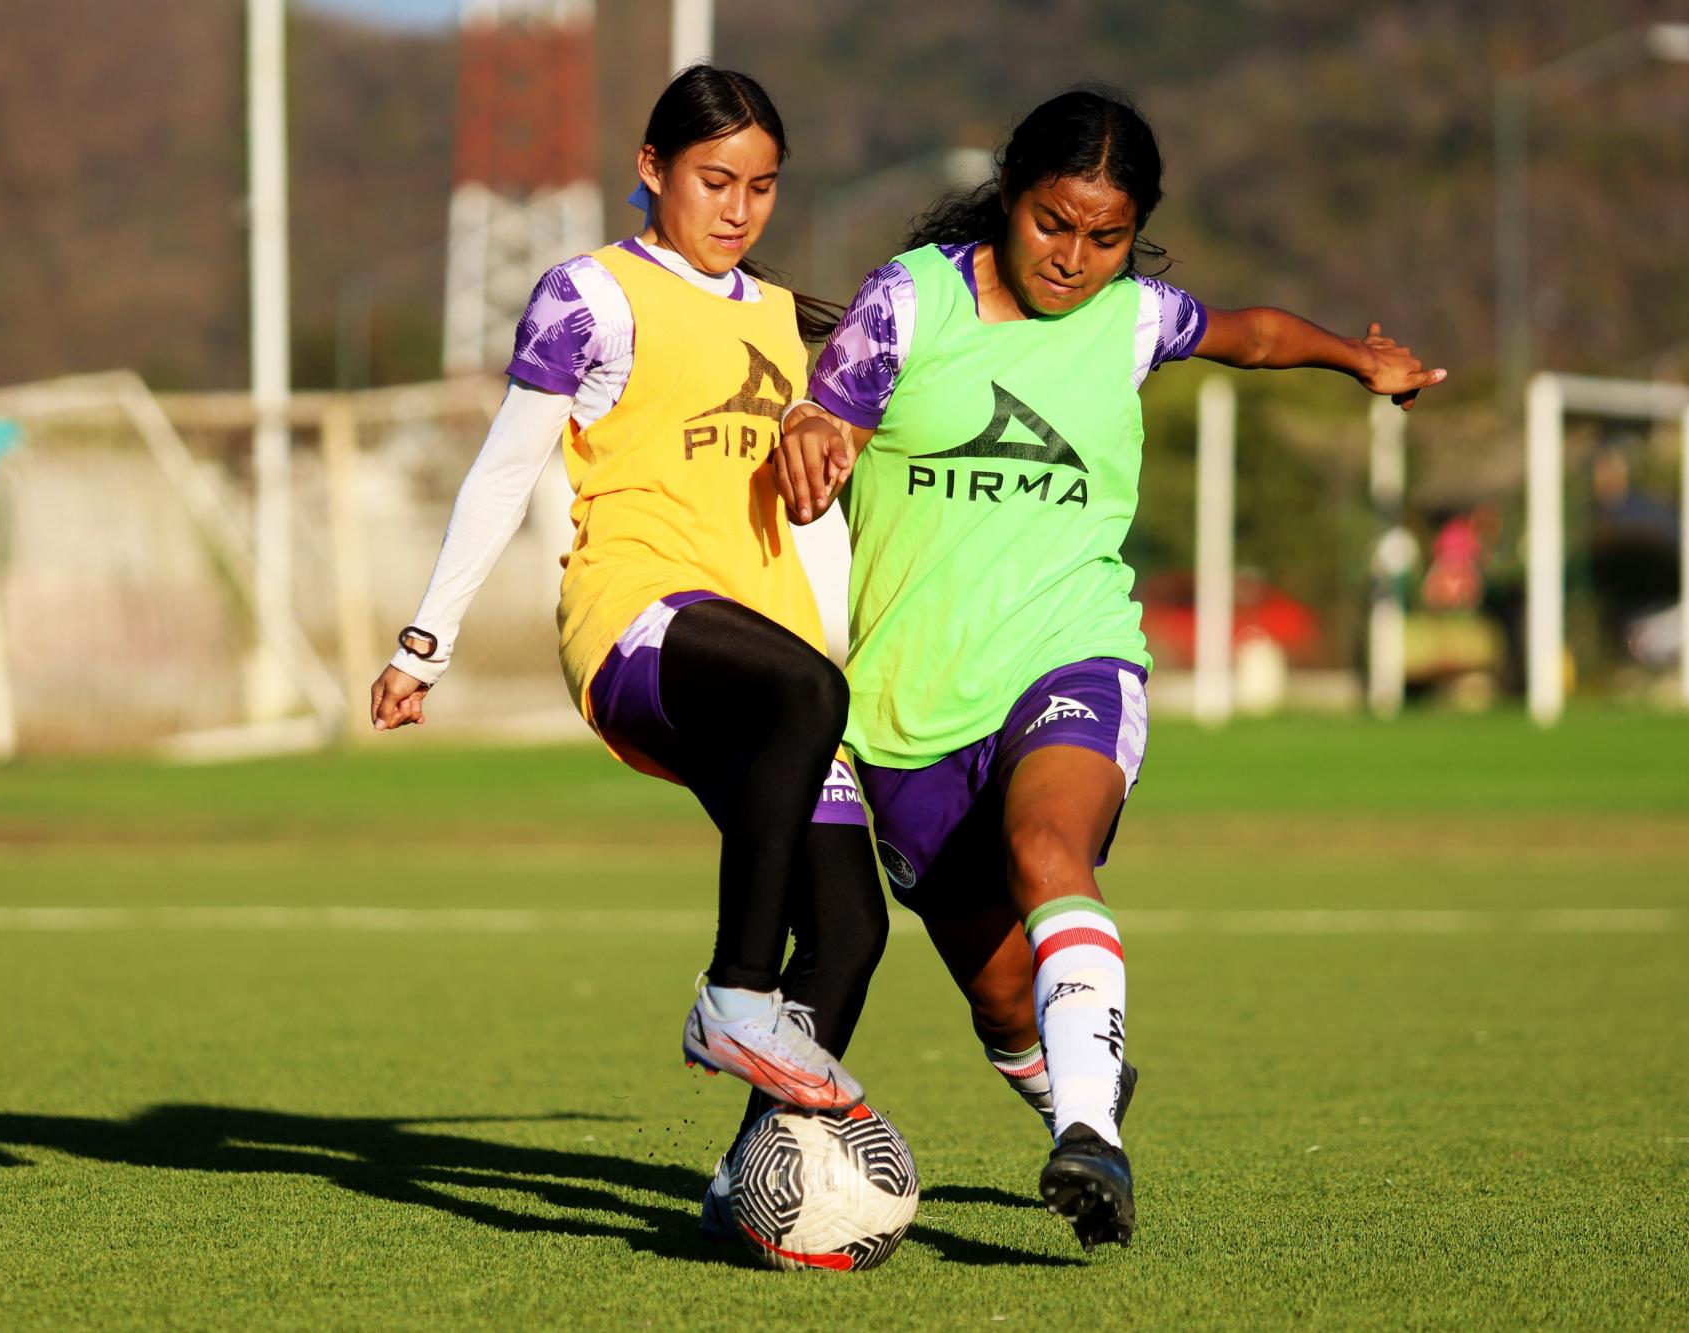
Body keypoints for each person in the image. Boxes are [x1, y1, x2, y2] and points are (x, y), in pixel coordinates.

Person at [773, 87, 1445, 1253]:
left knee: (1051, 851)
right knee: (996, 993)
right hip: (905, 706)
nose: (1074, 258)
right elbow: (821, 413)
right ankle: (1080, 1087)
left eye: (1104, 236)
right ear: (1009, 193)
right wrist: (813, 430)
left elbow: (1253, 334)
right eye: (1049, 223)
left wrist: (1356, 359)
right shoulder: (909, 299)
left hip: (1067, 649)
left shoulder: (1136, 318)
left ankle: (1089, 1136)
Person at [370, 68, 888, 1155]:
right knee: (808, 689)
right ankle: (732, 992)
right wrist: (427, 643)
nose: (738, 208)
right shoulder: (590, 294)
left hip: (765, 668)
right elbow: (502, 473)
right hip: (638, 623)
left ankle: (756, 1178)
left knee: (846, 931)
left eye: (762, 186)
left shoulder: (792, 326)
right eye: (714, 180)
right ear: (651, 171)